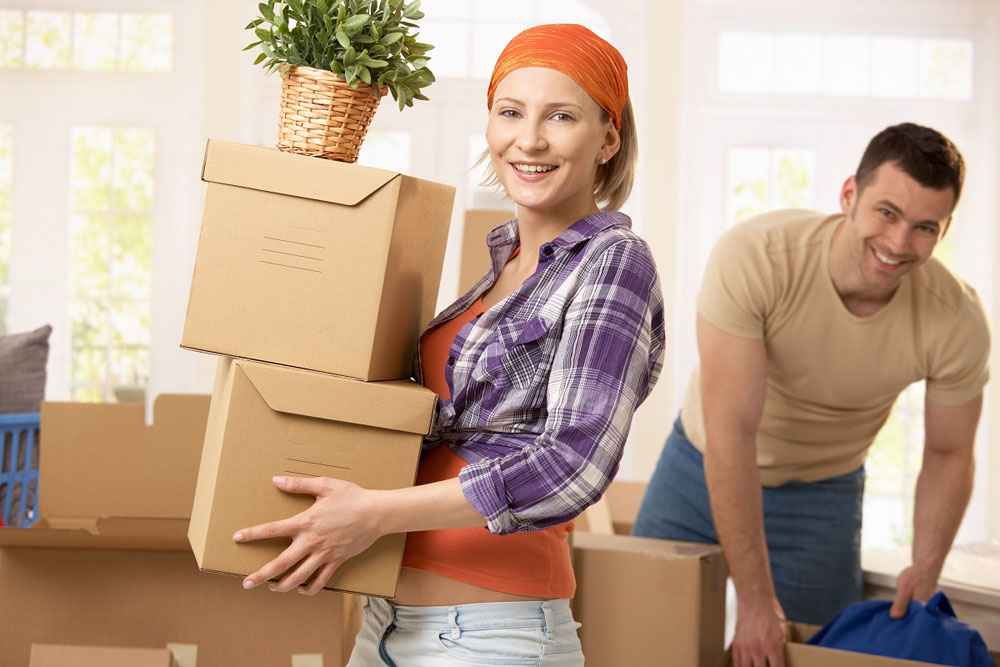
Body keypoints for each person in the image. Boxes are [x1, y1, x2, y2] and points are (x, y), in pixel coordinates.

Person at [232, 24, 665, 666]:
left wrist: (374, 514)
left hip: (491, 637)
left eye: (562, 116)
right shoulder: (503, 264)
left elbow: (573, 463)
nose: (530, 139)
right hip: (386, 625)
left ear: (608, 138)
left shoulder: (613, 261)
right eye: (510, 112)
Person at [633, 122, 989, 667]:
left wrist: (925, 565)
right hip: (702, 465)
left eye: (924, 227)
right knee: (644, 638)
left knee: (811, 658)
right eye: (887, 213)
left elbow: (948, 451)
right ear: (850, 194)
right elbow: (733, 433)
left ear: (944, 230)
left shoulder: (956, 317)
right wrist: (755, 603)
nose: (898, 244)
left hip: (822, 493)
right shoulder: (757, 256)